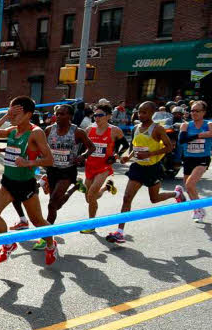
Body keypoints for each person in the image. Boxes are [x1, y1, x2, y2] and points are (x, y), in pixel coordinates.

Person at [0, 96, 57, 266]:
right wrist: (5, 117)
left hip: (26, 184)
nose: (12, 114)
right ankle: (9, 244)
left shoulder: (36, 132)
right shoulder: (12, 130)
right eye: (10, 110)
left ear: (28, 114)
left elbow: (49, 160)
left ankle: (50, 245)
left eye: (16, 111)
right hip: (8, 183)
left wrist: (29, 162)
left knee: (38, 221)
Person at [106, 101, 184, 243]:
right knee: (127, 198)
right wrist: (126, 158)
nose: (141, 115)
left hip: (153, 169)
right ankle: (120, 232)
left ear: (152, 113)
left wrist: (149, 154)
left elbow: (169, 148)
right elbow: (135, 147)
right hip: (138, 167)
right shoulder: (136, 127)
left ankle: (177, 193)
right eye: (139, 112)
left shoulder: (157, 129)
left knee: (154, 199)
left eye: (144, 112)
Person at [35, 104, 95, 247]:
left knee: (51, 204)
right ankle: (75, 188)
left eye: (62, 114)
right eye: (57, 113)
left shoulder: (77, 132)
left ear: (70, 116)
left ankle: (46, 237)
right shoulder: (49, 130)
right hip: (52, 170)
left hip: (67, 171)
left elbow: (91, 147)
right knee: (55, 205)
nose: (58, 116)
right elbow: (40, 147)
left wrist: (83, 156)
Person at [79, 104, 124, 233]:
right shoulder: (89, 129)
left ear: (109, 116)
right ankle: (107, 188)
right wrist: (81, 157)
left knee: (92, 193)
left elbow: (125, 145)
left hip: (104, 167)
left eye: (100, 115)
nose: (97, 118)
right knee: (89, 198)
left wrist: (116, 156)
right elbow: (84, 146)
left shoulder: (115, 130)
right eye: (95, 115)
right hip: (90, 166)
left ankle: (91, 224)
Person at [178, 100, 212, 221]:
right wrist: (200, 135)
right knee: (189, 188)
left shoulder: (209, 124)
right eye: (192, 110)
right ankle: (198, 210)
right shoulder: (186, 125)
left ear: (203, 112)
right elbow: (182, 140)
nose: (194, 113)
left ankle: (198, 209)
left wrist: (190, 137)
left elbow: (211, 133)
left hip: (202, 158)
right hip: (188, 158)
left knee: (190, 184)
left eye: (197, 111)